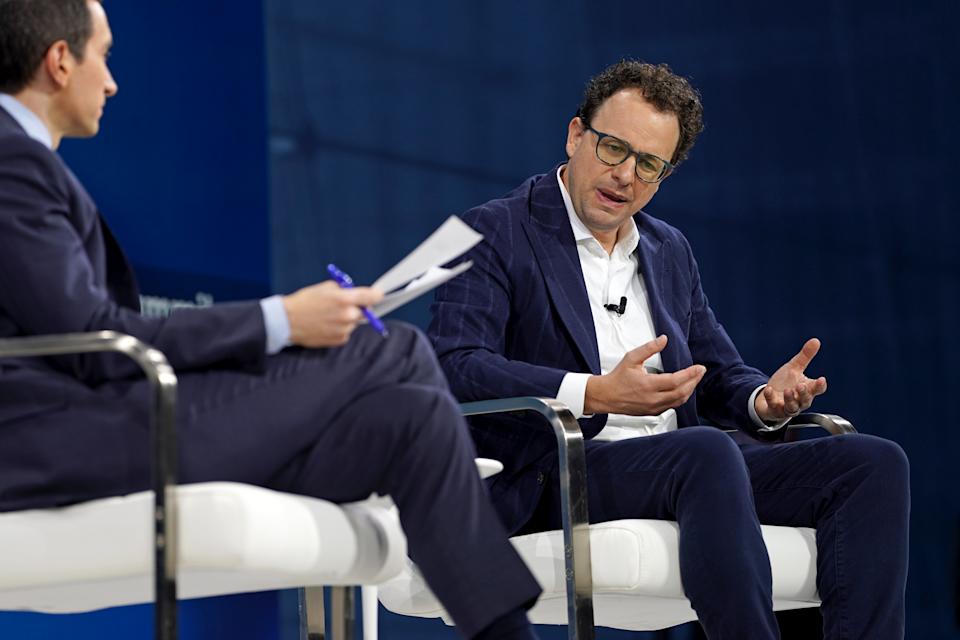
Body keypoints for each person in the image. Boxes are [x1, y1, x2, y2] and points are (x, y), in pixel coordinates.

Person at [0, 2, 543, 638]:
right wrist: (281, 319)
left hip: (107, 413)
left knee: (413, 418)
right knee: (388, 350)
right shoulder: (14, 163)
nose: (113, 80)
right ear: (60, 61)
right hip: (61, 437)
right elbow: (96, 340)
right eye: (105, 54)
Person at [429, 60, 910, 639]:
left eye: (650, 164)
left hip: (687, 462)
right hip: (558, 467)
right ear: (576, 135)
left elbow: (715, 371)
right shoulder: (490, 231)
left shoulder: (667, 248)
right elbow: (456, 365)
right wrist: (593, 392)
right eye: (613, 149)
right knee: (703, 451)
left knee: (873, 464)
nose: (625, 176)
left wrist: (764, 401)